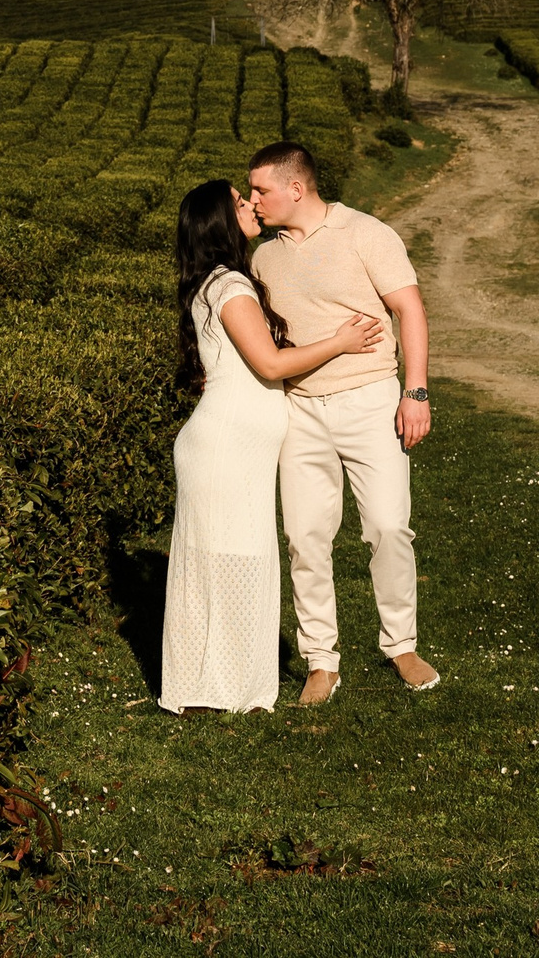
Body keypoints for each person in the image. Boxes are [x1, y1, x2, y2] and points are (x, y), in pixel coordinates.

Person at [159, 179, 383, 714]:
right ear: (220, 221)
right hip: (225, 448)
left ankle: (213, 684)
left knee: (222, 564)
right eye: (239, 202)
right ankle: (220, 688)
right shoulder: (231, 285)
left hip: (233, 446)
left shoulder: (223, 282)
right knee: (228, 562)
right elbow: (271, 365)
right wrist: (341, 342)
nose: (251, 205)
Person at [245, 139, 437, 706]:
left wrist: (415, 392)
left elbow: (411, 311)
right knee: (305, 537)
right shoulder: (263, 257)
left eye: (262, 190)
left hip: (371, 400)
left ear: (295, 188)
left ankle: (401, 645)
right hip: (299, 409)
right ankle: (320, 661)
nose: (255, 200)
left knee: (387, 527)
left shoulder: (367, 234)